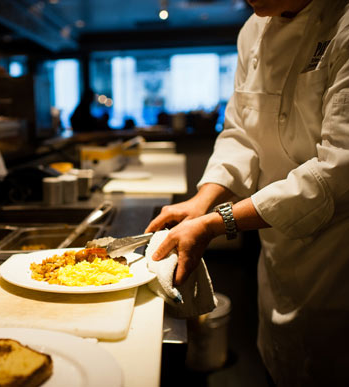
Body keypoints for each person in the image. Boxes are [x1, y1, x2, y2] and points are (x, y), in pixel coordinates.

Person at [144, 0, 349, 385]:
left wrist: (218, 222)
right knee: (282, 363)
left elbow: (339, 170)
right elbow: (241, 134)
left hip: (339, 254)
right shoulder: (253, 30)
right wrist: (202, 200)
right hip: (277, 245)